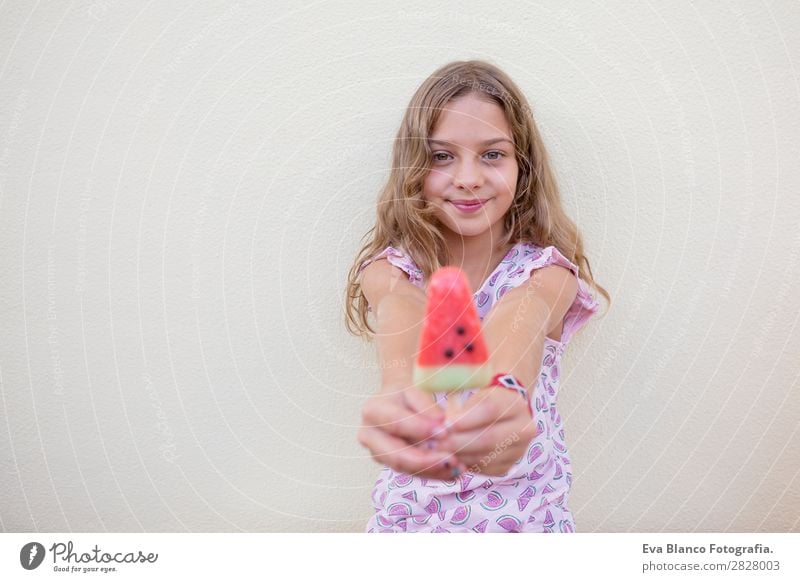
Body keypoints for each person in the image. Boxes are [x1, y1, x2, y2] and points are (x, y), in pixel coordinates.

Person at [344, 59, 611, 533]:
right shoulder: (394, 270)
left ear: (522, 166)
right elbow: (400, 308)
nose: (468, 177)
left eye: (492, 154)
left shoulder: (544, 273)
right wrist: (403, 387)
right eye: (442, 156)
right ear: (414, 166)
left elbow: (521, 317)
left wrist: (502, 393)